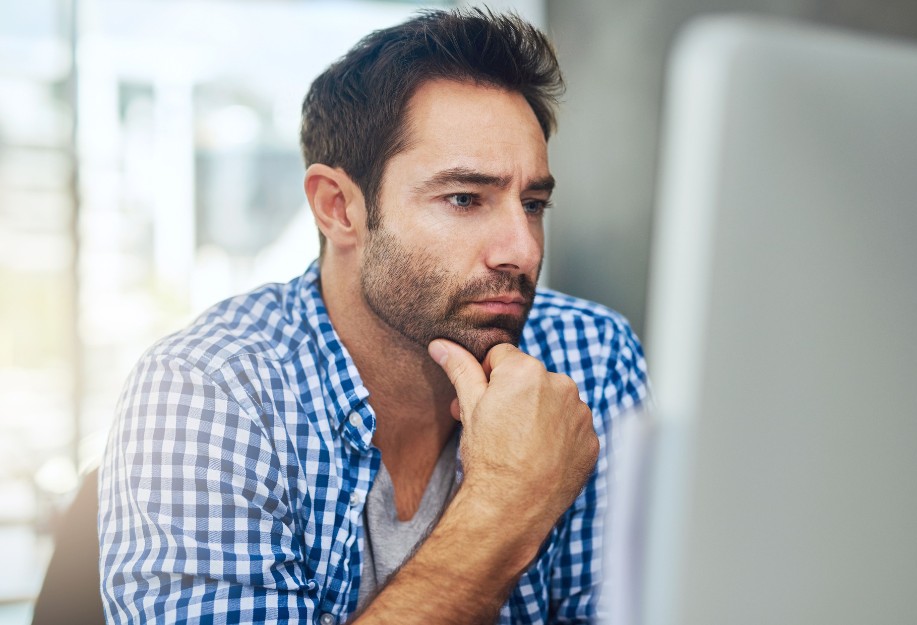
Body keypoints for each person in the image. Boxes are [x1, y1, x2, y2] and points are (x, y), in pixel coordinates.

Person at [99, 8, 646, 624]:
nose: (521, 250)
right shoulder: (208, 392)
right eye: (464, 199)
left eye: (533, 203)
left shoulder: (592, 354)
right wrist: (505, 504)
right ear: (339, 208)